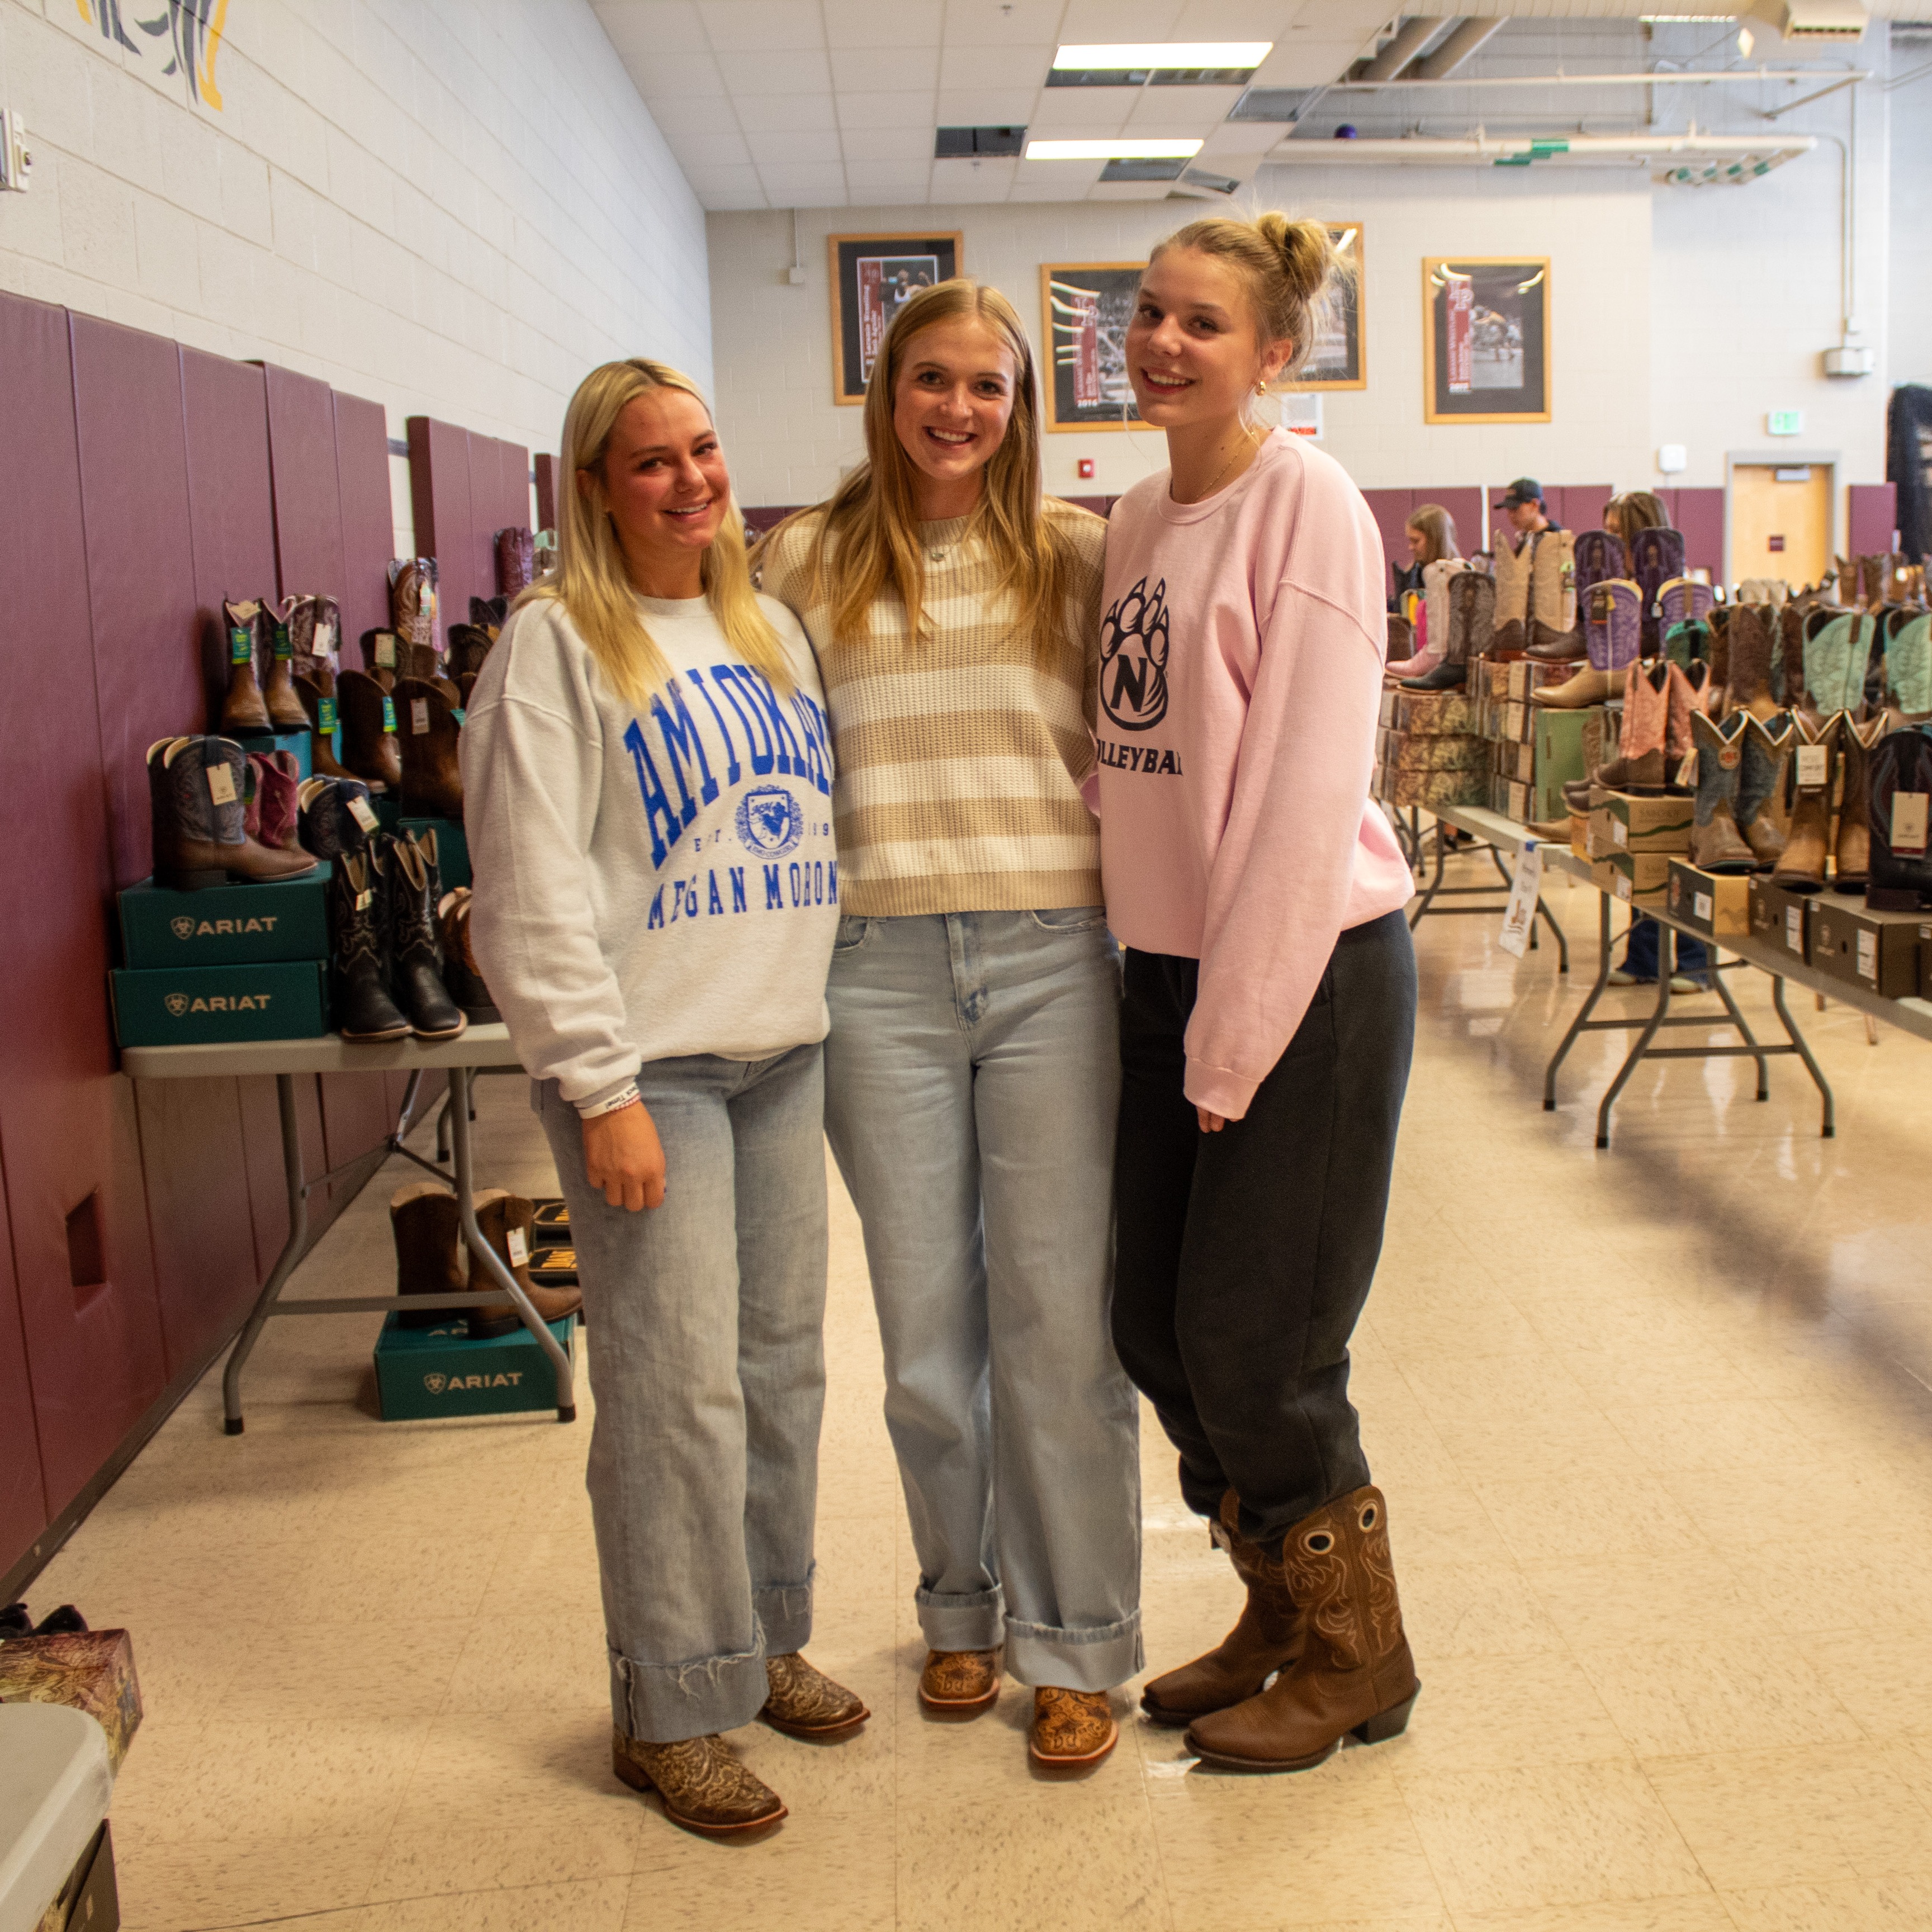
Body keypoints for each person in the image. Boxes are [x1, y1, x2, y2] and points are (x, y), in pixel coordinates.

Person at [463, 358, 864, 1842]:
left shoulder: (769, 633)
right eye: (651, 463)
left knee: (777, 1379)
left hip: (781, 1054)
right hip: (656, 1077)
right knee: (670, 1400)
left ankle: (761, 1643)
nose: (691, 481)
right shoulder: (559, 645)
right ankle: (670, 1706)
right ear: (592, 487)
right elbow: (527, 895)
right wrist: (599, 1084)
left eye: (703, 451)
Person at [755, 280, 1142, 1770]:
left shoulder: (1081, 557)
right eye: (933, 378)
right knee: (927, 1334)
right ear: (887, 387)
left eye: (990, 385)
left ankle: (1081, 1641)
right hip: (876, 973)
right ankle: (961, 1607)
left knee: (1057, 1319)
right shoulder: (802, 560)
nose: (960, 408)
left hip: (1053, 957)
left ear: (1022, 405)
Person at [1100, 214, 1421, 1774]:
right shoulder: (1138, 516)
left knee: (1262, 1341)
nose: (1162, 342)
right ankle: (1276, 1610)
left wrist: (1234, 1037)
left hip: (1308, 973)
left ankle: (1362, 1655)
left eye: (1203, 325)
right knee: (1154, 1326)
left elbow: (1300, 798)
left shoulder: (1309, 505)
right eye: (1150, 313)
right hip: (1168, 971)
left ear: (1275, 355)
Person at [1602, 491, 1711, 992]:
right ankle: (1645, 955)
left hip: (1684, 729)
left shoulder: (1683, 598)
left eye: (1616, 536)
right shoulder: (1625, 595)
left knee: (1682, 838)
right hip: (1647, 726)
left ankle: (1694, 959)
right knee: (1651, 841)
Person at [1386, 503, 1463, 678]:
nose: (1410, 547)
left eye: (1416, 541)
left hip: (1438, 657)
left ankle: (1434, 657)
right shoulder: (1435, 573)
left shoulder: (1443, 574)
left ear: (1435, 539)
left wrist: (1434, 654)